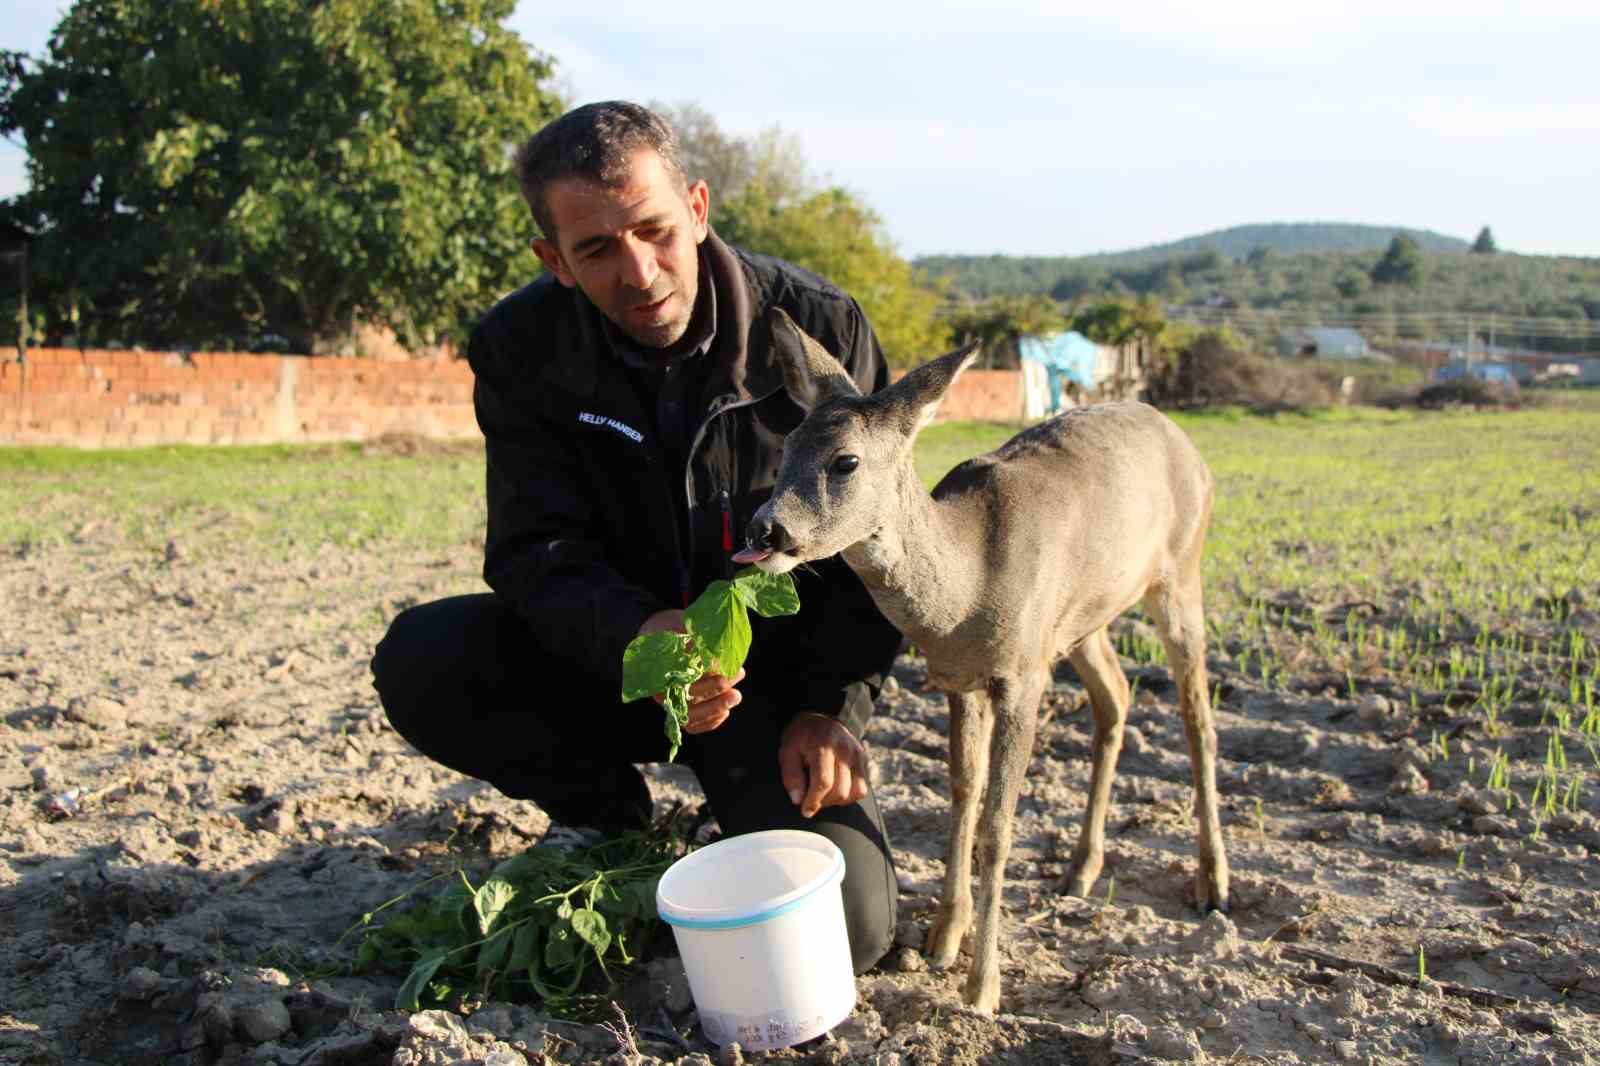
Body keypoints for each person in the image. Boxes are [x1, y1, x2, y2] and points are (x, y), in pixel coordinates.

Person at [370, 101, 905, 974]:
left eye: (655, 230)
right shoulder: (519, 348)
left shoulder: (820, 331)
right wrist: (638, 638)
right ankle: (603, 816)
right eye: (597, 250)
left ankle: (736, 805)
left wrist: (832, 706)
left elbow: (879, 547)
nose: (642, 271)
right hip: (614, 671)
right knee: (425, 658)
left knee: (849, 931)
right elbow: (533, 550)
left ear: (696, 208)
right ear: (556, 261)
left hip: (768, 697)